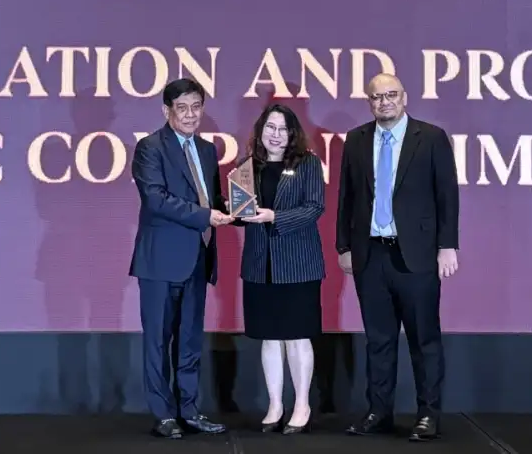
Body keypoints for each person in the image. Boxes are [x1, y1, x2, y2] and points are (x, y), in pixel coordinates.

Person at [336, 73, 460, 442]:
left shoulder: (431, 137)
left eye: (391, 94)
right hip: (370, 254)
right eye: (377, 97)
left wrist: (447, 245)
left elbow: (447, 195)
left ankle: (428, 414)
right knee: (378, 340)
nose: (384, 101)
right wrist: (344, 246)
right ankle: (379, 412)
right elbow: (347, 197)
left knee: (424, 339)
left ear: (404, 97)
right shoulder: (356, 140)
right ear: (369, 102)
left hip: (416, 256)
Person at [129, 78, 234, 439]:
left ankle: (189, 410)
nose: (190, 115)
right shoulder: (150, 147)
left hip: (197, 259)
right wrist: (206, 216)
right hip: (160, 260)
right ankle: (163, 415)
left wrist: (237, 207)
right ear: (167, 111)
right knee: (158, 342)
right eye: (182, 108)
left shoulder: (206, 149)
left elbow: (211, 199)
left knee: (189, 341)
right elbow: (156, 199)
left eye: (196, 106)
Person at [235, 103, 325, 434]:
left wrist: (275, 216)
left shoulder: (308, 163)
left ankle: (301, 404)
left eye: (282, 129)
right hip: (260, 264)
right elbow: (242, 215)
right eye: (270, 127)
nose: (275, 134)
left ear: (292, 134)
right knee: (270, 338)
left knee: (297, 336)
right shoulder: (246, 167)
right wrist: (234, 212)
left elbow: (315, 207)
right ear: (260, 130)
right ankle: (275, 405)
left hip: (298, 264)